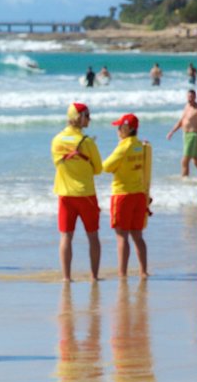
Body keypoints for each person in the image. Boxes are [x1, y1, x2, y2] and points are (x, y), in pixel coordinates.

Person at [51, 103, 103, 282]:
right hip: (86, 194)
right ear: (79, 117)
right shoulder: (87, 142)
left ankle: (66, 277)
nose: (89, 119)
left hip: (65, 194)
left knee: (66, 236)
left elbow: (57, 164)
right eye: (87, 115)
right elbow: (98, 169)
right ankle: (94, 276)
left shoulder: (56, 140)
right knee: (93, 235)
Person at [102, 114, 152, 278]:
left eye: (119, 127)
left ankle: (122, 273)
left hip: (122, 194)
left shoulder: (123, 147)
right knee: (138, 236)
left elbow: (106, 166)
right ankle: (143, 271)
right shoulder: (141, 145)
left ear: (128, 128)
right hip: (139, 195)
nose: (117, 130)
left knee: (121, 236)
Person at [166, 90, 197, 177]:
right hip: (186, 135)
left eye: (191, 97)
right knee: (195, 159)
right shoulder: (187, 106)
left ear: (195, 97)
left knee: (185, 160)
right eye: (188, 96)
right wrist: (172, 132)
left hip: (194, 136)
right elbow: (181, 121)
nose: (190, 98)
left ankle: (184, 179)